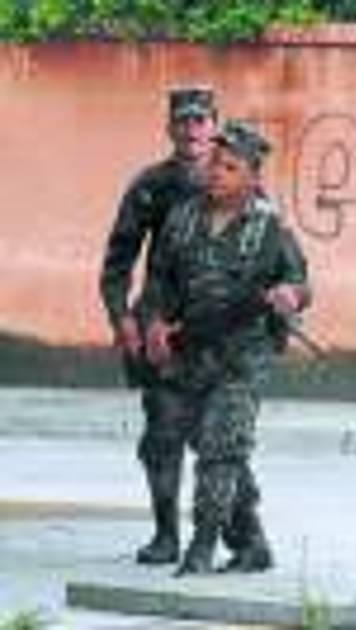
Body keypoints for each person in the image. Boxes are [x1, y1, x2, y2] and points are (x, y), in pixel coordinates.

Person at [143, 120, 311, 575]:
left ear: (253, 177)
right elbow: (159, 279)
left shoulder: (269, 226)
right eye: (215, 163)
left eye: (230, 167)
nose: (217, 172)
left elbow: (300, 283)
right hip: (191, 351)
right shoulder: (184, 217)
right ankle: (251, 544)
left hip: (244, 355)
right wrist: (154, 322)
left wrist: (290, 296)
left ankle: (202, 547)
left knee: (220, 447)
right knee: (214, 444)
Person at [98, 86, 218, 565]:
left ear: (214, 126)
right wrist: (122, 317)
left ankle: (225, 538)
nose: (191, 130)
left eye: (200, 120)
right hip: (160, 329)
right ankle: (166, 535)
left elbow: (271, 256)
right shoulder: (152, 185)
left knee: (219, 441)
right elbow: (117, 261)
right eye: (183, 121)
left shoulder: (237, 181)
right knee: (163, 436)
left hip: (216, 333)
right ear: (169, 127)